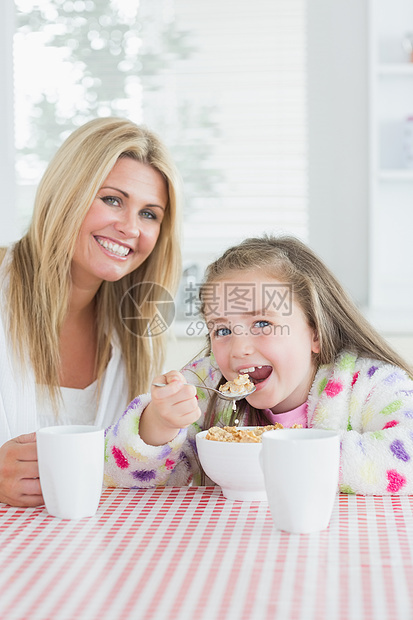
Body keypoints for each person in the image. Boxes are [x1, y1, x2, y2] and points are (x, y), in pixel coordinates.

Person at [104, 234, 413, 495]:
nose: (239, 348)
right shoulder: (208, 382)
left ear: (315, 332)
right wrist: (158, 425)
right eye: (222, 330)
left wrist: (285, 457)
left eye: (263, 323)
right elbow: (127, 478)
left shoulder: (370, 385)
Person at [0, 116, 182, 506]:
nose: (131, 228)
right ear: (68, 192)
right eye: (113, 199)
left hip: (87, 554)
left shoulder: (137, 334)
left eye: (150, 214)